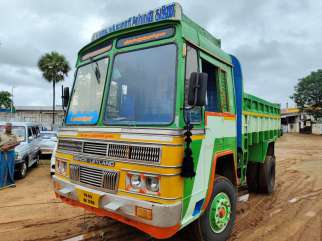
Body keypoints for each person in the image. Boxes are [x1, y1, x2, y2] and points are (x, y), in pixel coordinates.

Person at [0, 123, 20, 189]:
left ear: (11, 128)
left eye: (10, 127)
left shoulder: (14, 135)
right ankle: (2, 184)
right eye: (7, 126)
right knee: (3, 167)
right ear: (4, 127)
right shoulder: (1, 134)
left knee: (10, 167)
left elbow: (18, 142)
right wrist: (2, 148)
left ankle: (11, 183)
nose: (9, 128)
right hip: (2, 153)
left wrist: (9, 146)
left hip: (11, 153)